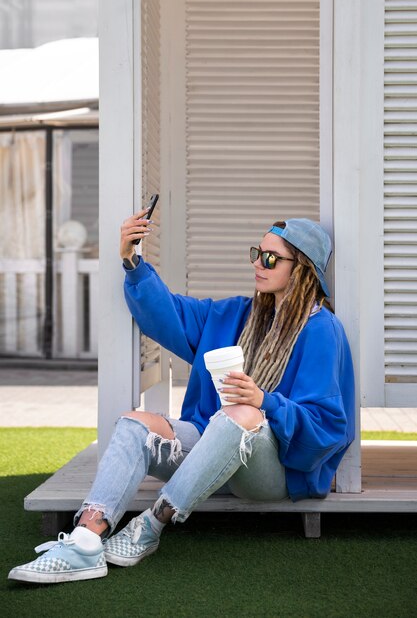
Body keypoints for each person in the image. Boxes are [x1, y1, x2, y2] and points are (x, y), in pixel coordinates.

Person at [8, 212, 355, 584]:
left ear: (301, 268)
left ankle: (150, 525)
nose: (257, 263)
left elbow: (328, 425)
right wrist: (132, 260)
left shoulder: (321, 329)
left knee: (240, 414)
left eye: (270, 258)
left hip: (274, 470)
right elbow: (169, 312)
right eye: (256, 252)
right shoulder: (237, 314)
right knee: (134, 424)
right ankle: (85, 542)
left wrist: (264, 401)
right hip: (209, 455)